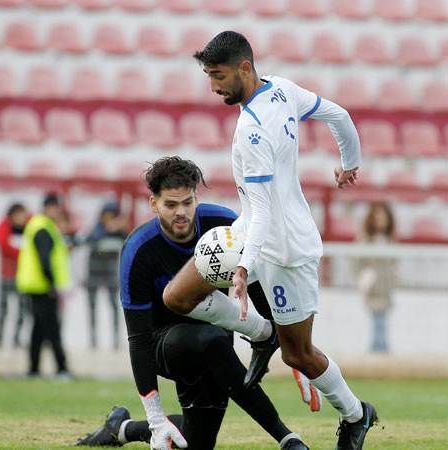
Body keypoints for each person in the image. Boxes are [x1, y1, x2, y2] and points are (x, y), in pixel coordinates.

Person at [161, 31, 377, 450]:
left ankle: (355, 414)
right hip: (254, 230)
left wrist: (243, 268)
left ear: (244, 67)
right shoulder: (283, 88)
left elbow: (263, 211)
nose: (213, 87)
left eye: (218, 75)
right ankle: (262, 334)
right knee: (178, 296)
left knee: (299, 355)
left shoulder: (252, 131)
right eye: (208, 76)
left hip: (285, 249)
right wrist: (349, 163)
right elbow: (340, 116)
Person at [76, 157, 308, 450]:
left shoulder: (224, 226)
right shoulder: (138, 249)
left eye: (187, 202)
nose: (181, 212)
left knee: (197, 443)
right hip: (166, 345)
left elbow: (258, 283)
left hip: (216, 340)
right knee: (211, 338)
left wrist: (291, 348)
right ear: (153, 204)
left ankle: (121, 428)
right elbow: (138, 340)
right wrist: (156, 417)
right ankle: (287, 438)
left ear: (196, 197)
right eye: (171, 205)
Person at [16, 192, 71, 378]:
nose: (56, 211)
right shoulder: (43, 227)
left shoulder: (40, 225)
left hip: (36, 286)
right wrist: (51, 285)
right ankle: (62, 368)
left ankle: (33, 369)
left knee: (38, 330)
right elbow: (45, 259)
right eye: (54, 207)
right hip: (42, 287)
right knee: (53, 328)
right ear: (48, 208)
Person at [84, 201, 127, 350]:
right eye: (106, 215)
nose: (109, 218)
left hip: (110, 275)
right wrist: (108, 228)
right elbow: (90, 239)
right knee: (92, 308)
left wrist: (119, 227)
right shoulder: (97, 228)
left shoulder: (120, 231)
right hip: (93, 274)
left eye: (112, 215)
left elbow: (130, 241)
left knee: (114, 306)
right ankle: (93, 340)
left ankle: (115, 340)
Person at [355, 202, 397, 353]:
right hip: (372, 289)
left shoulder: (390, 241)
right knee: (377, 321)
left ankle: (381, 349)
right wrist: (366, 280)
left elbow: (394, 264)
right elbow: (358, 264)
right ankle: (377, 349)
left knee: (382, 321)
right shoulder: (366, 240)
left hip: (385, 289)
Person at [0, 202, 29, 349]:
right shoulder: (5, 227)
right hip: (6, 276)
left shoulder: (28, 227)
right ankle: (0, 340)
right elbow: (2, 244)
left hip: (23, 276)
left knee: (22, 310)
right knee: (3, 310)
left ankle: (16, 339)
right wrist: (23, 255)